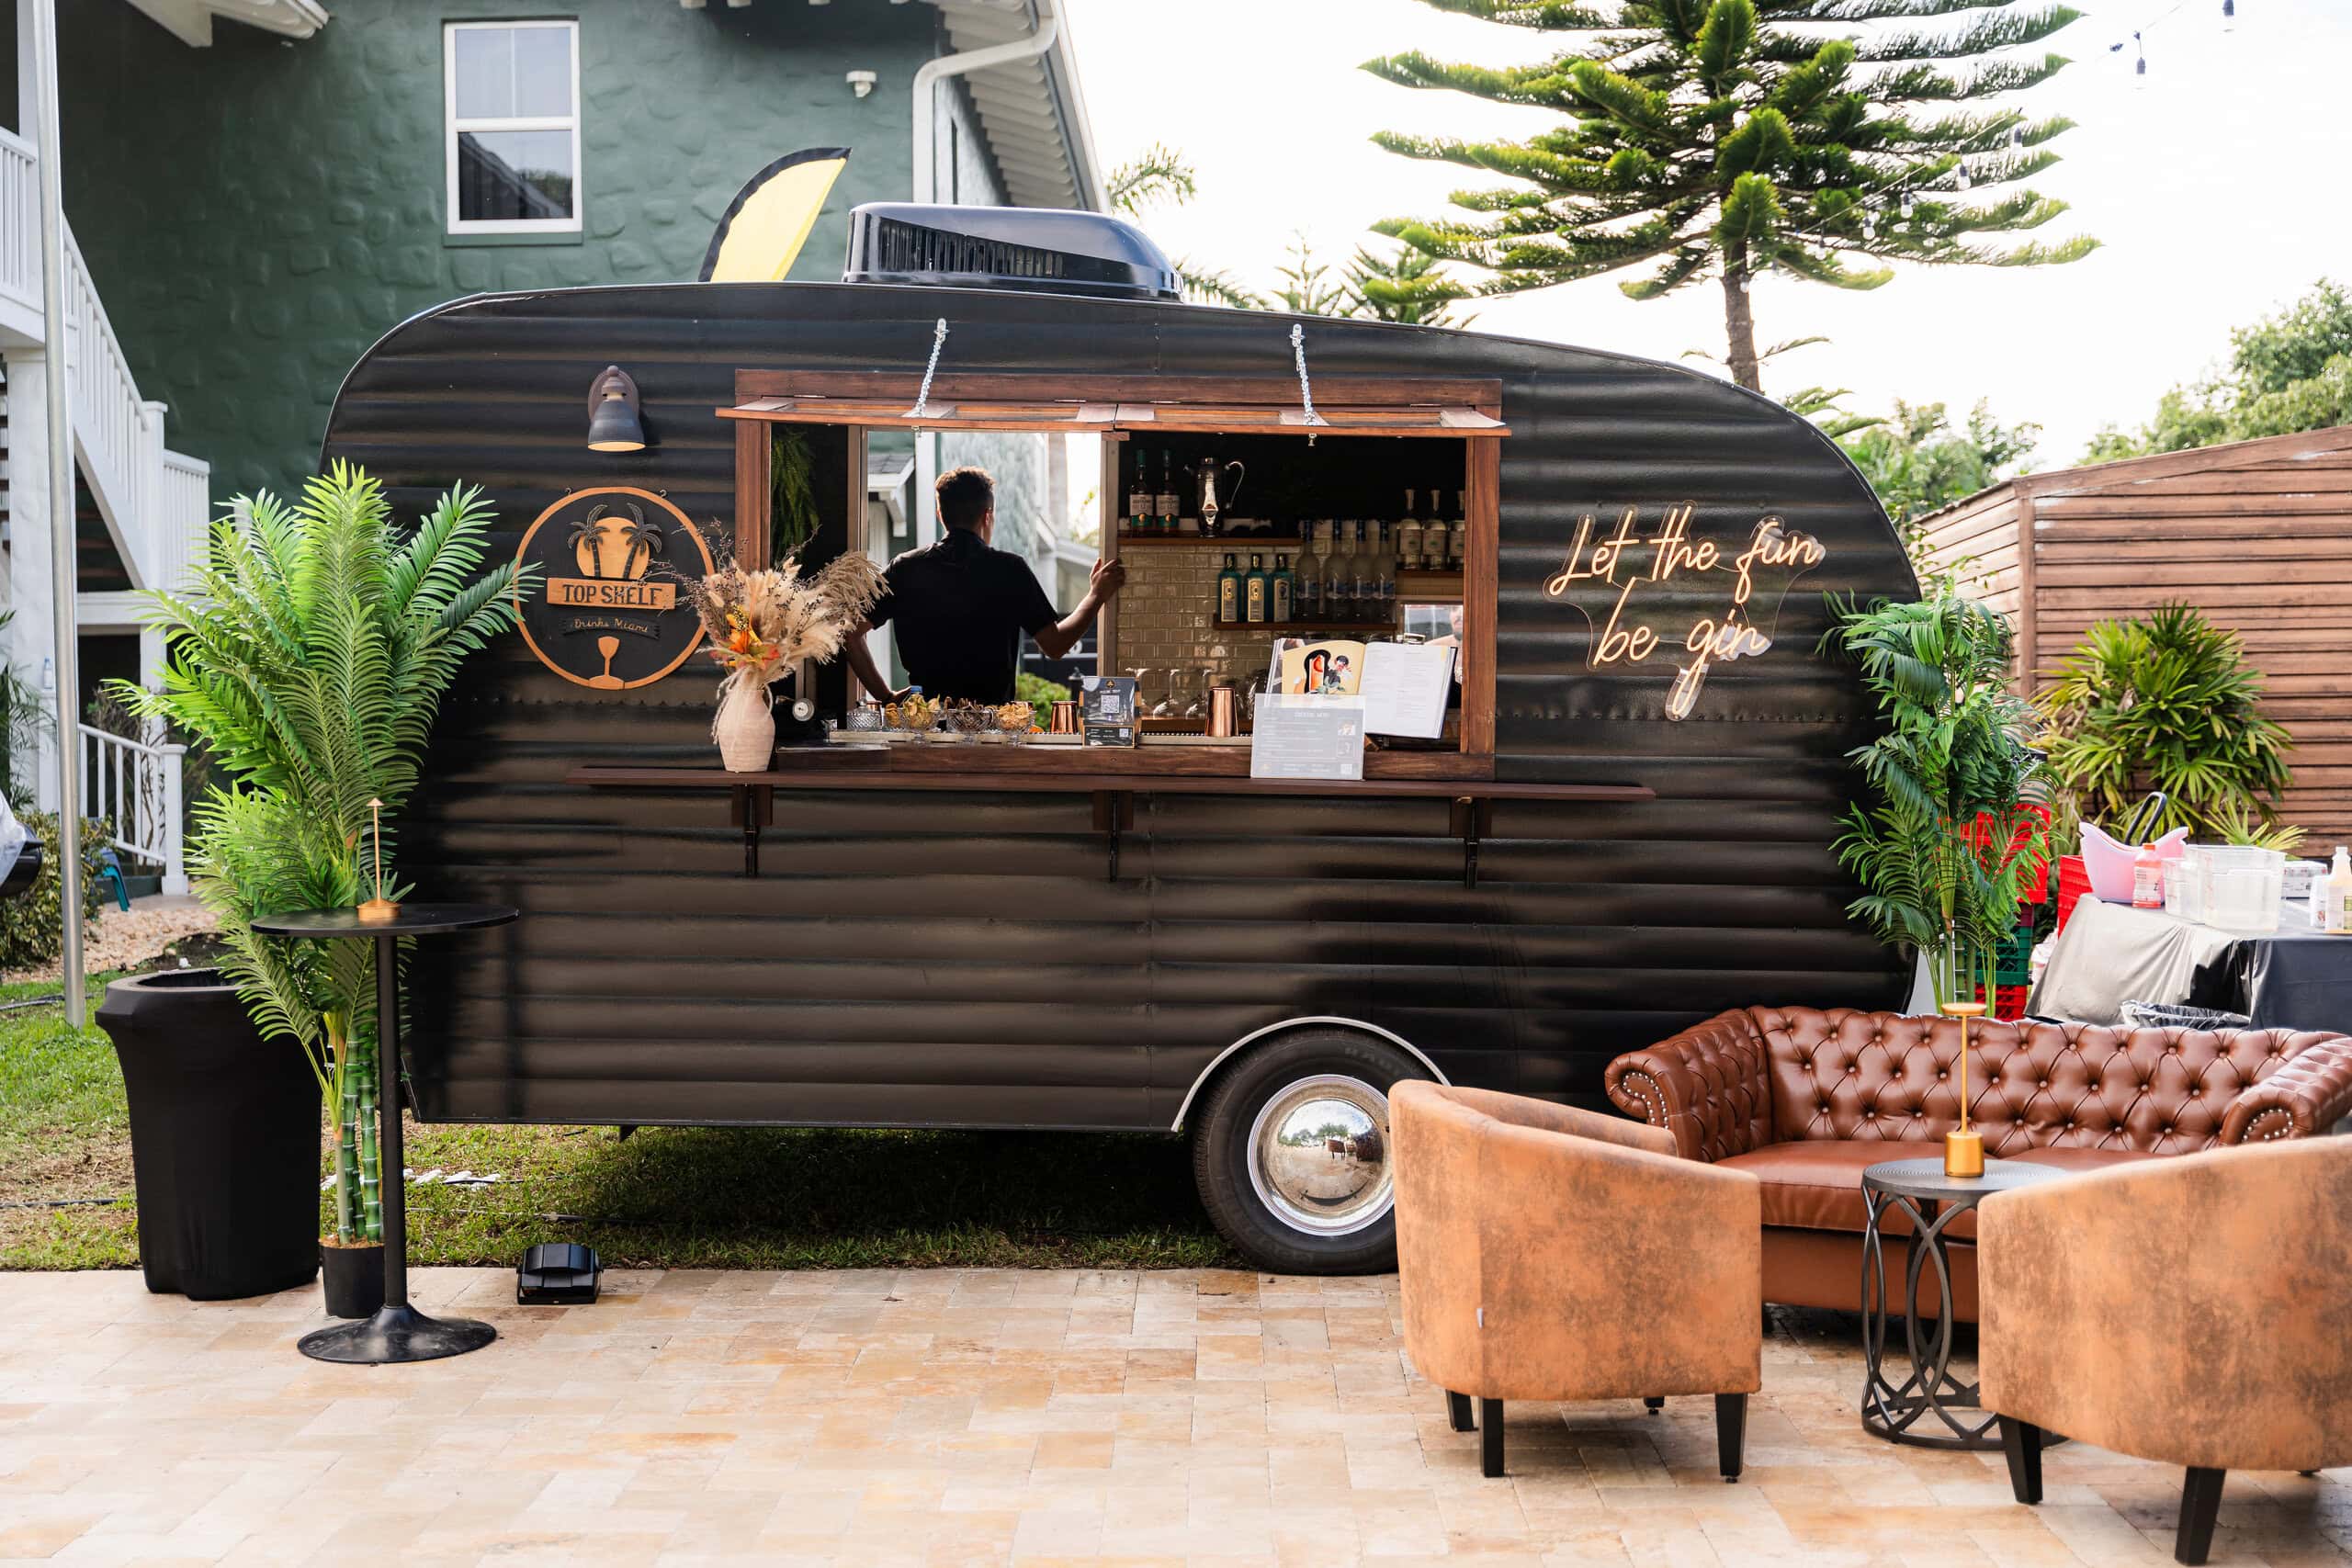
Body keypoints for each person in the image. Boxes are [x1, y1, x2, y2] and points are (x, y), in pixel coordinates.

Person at [844, 465, 1124, 705]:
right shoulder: (1009, 569)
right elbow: (1055, 644)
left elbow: (849, 633)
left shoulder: (905, 567)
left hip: (927, 727)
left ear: (940, 515)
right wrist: (1096, 595)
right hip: (993, 729)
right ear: (987, 515)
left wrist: (886, 697)